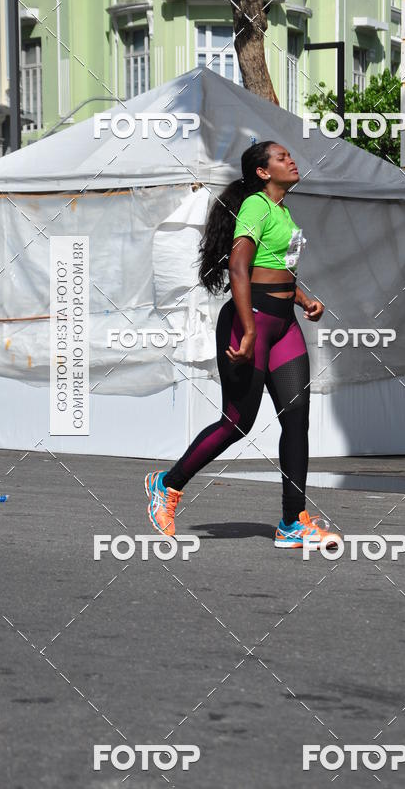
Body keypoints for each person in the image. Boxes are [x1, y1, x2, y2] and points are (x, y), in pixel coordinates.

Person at [144, 141, 339, 549]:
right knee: (237, 421)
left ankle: (292, 521)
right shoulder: (255, 206)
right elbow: (238, 267)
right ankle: (168, 484)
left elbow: (277, 267)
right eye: (281, 157)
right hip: (250, 323)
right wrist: (249, 331)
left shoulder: (282, 210)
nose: (291, 160)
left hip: (283, 324)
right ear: (264, 172)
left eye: (290, 155)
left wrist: (303, 301)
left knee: (296, 418)